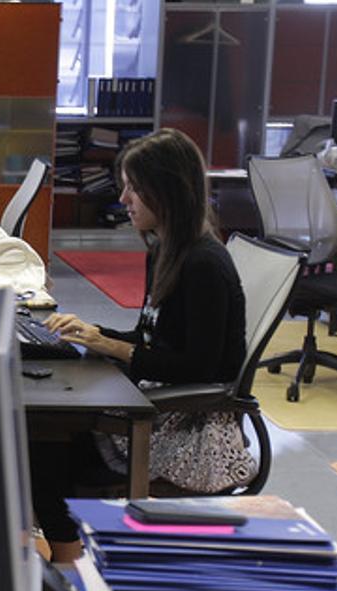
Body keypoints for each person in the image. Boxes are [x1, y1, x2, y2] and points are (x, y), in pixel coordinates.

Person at [32, 128, 249, 562]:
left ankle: (67, 556)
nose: (124, 199)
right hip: (161, 401)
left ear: (167, 191)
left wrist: (112, 347)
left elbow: (198, 367)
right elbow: (152, 337)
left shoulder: (203, 263)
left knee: (42, 436)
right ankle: (63, 547)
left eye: (134, 188)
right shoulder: (165, 248)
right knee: (43, 425)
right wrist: (91, 331)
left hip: (189, 424)